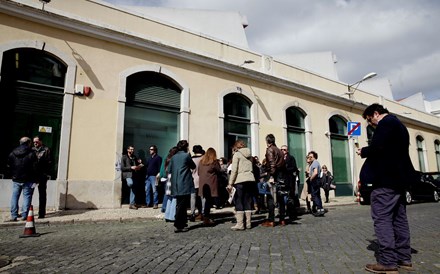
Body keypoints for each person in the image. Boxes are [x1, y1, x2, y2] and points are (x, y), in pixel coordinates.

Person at [356, 103, 415, 273]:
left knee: (382, 219)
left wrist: (364, 151)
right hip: (398, 181)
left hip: (385, 181)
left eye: (370, 120)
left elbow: (379, 148)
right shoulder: (400, 126)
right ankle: (404, 258)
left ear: (376, 114)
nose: (371, 125)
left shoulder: (386, 124)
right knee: (399, 219)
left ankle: (388, 261)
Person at [168, 140, 196, 233]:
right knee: (182, 205)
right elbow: (193, 166)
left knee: (180, 204)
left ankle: (183, 223)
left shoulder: (173, 157)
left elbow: (169, 169)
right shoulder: (186, 155)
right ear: (186, 147)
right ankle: (178, 224)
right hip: (184, 182)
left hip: (175, 183)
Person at [7, 137, 37, 221]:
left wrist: (13, 174)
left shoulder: (13, 152)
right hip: (28, 179)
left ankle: (14, 215)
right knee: (27, 196)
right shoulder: (31, 153)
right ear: (28, 142)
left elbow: (9, 165)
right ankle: (24, 215)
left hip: (16, 178)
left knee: (14, 196)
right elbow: (35, 167)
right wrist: (35, 179)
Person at [227, 140, 255, 230]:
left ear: (236, 146)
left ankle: (240, 224)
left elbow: (234, 170)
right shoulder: (250, 155)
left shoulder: (237, 155)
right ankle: (248, 223)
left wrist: (230, 183)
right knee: (247, 201)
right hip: (250, 179)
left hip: (240, 180)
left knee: (239, 201)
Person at [261, 134, 287, 227]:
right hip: (280, 175)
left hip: (273, 175)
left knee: (270, 198)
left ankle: (271, 220)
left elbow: (272, 164)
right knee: (280, 198)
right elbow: (283, 164)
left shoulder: (270, 149)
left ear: (268, 142)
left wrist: (271, 175)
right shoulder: (280, 151)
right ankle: (282, 219)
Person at [198, 147, 221, 226]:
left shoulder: (201, 162)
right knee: (208, 201)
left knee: (205, 200)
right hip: (211, 183)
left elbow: (198, 172)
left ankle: (205, 216)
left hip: (202, 183)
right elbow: (219, 170)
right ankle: (206, 218)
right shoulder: (214, 162)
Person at [32, 136, 52, 218]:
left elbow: (49, 162)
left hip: (42, 175)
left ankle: (41, 213)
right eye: (34, 142)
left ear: (41, 141)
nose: (35, 143)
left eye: (36, 141)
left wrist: (46, 173)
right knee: (29, 193)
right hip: (32, 176)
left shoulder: (46, 150)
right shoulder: (32, 150)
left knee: (42, 194)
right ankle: (27, 212)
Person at [281, 145, 299, 222]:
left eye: (284, 150)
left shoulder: (291, 158)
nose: (283, 151)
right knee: (282, 197)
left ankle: (292, 214)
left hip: (289, 180)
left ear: (287, 150)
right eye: (281, 149)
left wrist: (286, 169)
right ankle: (283, 213)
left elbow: (294, 167)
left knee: (290, 197)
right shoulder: (279, 158)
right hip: (282, 180)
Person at [121, 145, 142, 210]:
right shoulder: (124, 157)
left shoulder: (134, 157)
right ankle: (131, 202)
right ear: (128, 150)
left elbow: (135, 165)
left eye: (133, 149)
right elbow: (122, 168)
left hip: (134, 175)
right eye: (131, 149)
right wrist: (130, 167)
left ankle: (132, 204)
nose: (132, 151)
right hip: (127, 175)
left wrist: (139, 165)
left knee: (134, 188)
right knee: (131, 184)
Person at [307, 151, 325, 216]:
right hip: (317, 180)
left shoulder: (315, 163)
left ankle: (319, 209)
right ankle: (320, 209)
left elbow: (315, 172)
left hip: (315, 180)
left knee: (315, 195)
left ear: (313, 156)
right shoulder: (314, 163)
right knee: (317, 195)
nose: (309, 157)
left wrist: (311, 179)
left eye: (310, 156)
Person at [144, 145, 162, 209]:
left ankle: (155, 203)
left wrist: (158, 175)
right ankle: (148, 203)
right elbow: (146, 166)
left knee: (155, 190)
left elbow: (160, 167)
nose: (150, 150)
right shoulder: (149, 158)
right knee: (147, 190)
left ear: (155, 150)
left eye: (151, 149)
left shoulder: (158, 158)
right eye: (150, 149)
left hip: (154, 176)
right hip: (148, 176)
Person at [190, 145, 204, 222]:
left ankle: (192, 213)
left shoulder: (191, 159)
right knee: (202, 198)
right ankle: (202, 213)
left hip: (193, 180)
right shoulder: (203, 159)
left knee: (193, 198)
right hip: (202, 180)